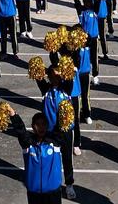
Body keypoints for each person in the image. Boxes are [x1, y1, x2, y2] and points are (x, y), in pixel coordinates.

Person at [6, 106, 63, 204]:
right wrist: (13, 114)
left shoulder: (55, 142)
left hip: (53, 193)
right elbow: (20, 130)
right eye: (37, 124)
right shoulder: (28, 143)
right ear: (32, 126)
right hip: (34, 193)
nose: (41, 127)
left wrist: (63, 110)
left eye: (43, 124)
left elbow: (61, 126)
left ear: (47, 126)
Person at [36, 67, 76, 200]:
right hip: (50, 131)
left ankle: (69, 185)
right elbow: (38, 77)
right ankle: (51, 184)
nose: (56, 78)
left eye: (59, 75)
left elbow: (70, 79)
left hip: (65, 130)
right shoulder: (45, 89)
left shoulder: (66, 88)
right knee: (50, 158)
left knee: (67, 158)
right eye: (53, 75)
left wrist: (69, 68)